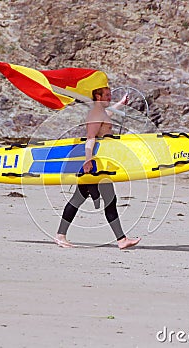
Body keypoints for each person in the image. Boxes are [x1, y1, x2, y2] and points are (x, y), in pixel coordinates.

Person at [55, 87, 141, 249]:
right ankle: (61, 236)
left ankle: (121, 240)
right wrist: (88, 161)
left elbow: (107, 117)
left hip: (98, 163)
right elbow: (90, 138)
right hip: (93, 164)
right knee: (97, 200)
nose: (110, 97)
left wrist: (121, 104)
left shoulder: (100, 113)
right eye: (107, 95)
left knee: (80, 199)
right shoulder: (95, 114)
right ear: (97, 96)